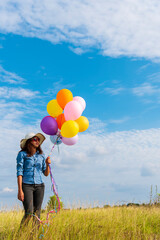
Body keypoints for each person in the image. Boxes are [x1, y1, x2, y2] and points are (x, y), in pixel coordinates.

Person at [16, 132, 51, 228]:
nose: (37, 141)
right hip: (26, 185)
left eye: (38, 139)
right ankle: (21, 234)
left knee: (37, 212)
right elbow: (19, 172)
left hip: (40, 186)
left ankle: (34, 235)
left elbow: (46, 174)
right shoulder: (22, 154)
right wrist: (20, 190)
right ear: (29, 142)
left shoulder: (42, 155)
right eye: (35, 139)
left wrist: (47, 164)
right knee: (29, 212)